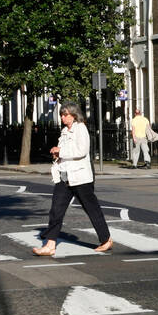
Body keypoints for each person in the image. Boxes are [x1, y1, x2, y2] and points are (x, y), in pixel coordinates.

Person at [34, 103, 113, 255]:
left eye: (65, 114)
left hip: (80, 177)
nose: (63, 117)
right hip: (65, 177)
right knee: (56, 210)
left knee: (92, 209)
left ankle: (106, 239)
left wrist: (61, 151)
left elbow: (82, 151)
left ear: (74, 115)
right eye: (62, 115)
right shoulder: (64, 131)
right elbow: (65, 152)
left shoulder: (80, 129)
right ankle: (50, 246)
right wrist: (57, 154)